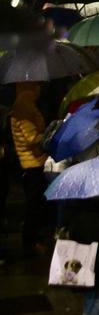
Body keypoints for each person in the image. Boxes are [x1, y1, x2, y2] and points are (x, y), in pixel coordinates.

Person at [11, 82, 47, 252]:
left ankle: (33, 240)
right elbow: (31, 138)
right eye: (36, 86)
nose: (40, 89)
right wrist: (46, 135)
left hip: (34, 161)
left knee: (36, 204)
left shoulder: (26, 106)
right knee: (33, 205)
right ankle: (31, 243)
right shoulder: (24, 108)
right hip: (32, 163)